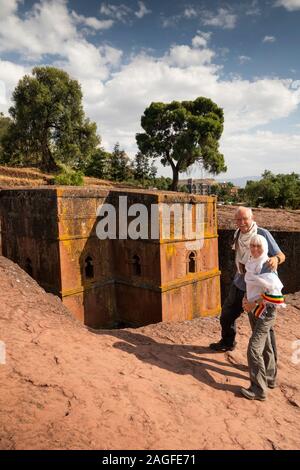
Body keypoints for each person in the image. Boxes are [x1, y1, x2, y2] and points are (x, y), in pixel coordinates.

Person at [209, 206, 285, 352]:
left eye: (245, 219)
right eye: (238, 219)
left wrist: (275, 259)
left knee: (260, 326)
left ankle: (266, 360)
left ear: (252, 218)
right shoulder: (237, 234)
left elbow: (281, 255)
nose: (242, 222)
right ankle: (227, 342)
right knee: (226, 315)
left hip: (257, 287)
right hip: (240, 281)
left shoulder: (262, 234)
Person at [241, 234, 285, 401]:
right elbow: (252, 285)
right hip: (254, 308)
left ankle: (258, 389)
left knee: (253, 349)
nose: (255, 249)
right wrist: (246, 298)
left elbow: (275, 294)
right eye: (252, 245)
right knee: (265, 344)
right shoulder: (252, 263)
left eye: (258, 246)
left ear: (265, 247)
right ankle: (270, 378)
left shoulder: (266, 265)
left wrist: (254, 304)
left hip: (265, 311)